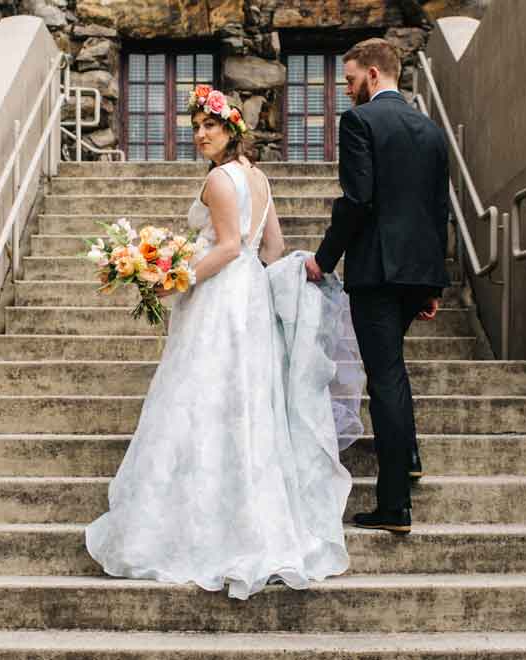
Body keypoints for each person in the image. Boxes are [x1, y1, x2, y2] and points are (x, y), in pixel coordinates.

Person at [85, 86, 352, 600]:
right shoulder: (260, 178)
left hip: (221, 301)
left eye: (210, 125)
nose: (201, 134)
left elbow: (229, 247)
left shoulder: (218, 180)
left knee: (201, 398)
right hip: (249, 299)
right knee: (245, 404)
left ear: (232, 128)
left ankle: (195, 526)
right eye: (196, 127)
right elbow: (269, 248)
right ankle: (246, 515)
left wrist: (172, 279)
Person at [306, 38, 451, 534]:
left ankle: (394, 506)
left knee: (385, 376)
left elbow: (357, 199)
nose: (346, 91)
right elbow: (438, 211)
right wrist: (433, 285)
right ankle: (407, 458)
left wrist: (324, 260)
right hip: (417, 273)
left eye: (349, 80)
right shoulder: (431, 131)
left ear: (372, 74)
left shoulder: (360, 122)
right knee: (393, 368)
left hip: (378, 273)